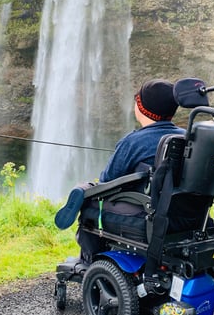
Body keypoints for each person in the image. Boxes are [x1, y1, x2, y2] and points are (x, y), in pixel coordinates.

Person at [54, 79, 185, 261]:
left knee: (91, 203)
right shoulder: (186, 138)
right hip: (183, 213)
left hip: (147, 211)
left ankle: (90, 259)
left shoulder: (134, 142)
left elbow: (108, 179)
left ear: (140, 107)